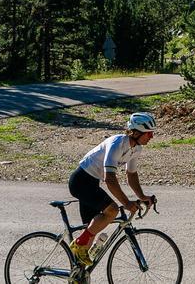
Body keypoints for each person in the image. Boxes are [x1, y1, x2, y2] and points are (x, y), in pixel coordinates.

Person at [66, 112, 158, 266]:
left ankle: (78, 275)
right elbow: (110, 179)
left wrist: (142, 196)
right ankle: (78, 243)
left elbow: (131, 175)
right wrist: (127, 203)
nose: (151, 137)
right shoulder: (117, 143)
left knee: (91, 234)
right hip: (81, 181)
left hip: (93, 183)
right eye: (149, 133)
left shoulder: (136, 149)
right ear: (136, 132)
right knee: (112, 210)